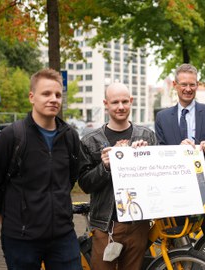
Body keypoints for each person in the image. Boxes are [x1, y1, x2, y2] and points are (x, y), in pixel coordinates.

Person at [0, 68, 82, 269]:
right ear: (31, 97)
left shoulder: (70, 136)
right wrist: (8, 219)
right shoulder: (12, 136)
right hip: (21, 239)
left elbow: (69, 178)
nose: (53, 99)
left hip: (63, 236)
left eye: (58, 95)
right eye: (46, 93)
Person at [155, 63, 205, 269]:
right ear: (175, 85)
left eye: (192, 84)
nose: (188, 89)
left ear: (197, 85)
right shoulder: (162, 117)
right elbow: (160, 155)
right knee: (177, 247)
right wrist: (178, 150)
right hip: (177, 193)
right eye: (183, 84)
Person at [77, 82, 156, 270]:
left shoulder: (147, 136)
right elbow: (85, 184)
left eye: (124, 101)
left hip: (138, 223)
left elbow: (155, 182)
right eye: (114, 102)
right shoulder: (90, 140)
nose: (120, 107)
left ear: (131, 101)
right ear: (106, 104)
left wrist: (144, 158)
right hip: (106, 225)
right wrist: (104, 166)